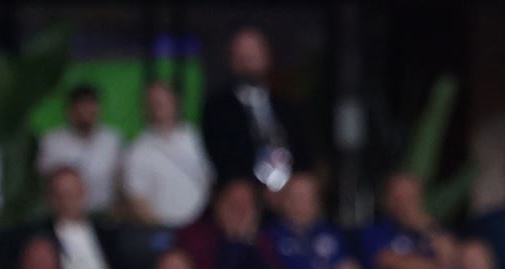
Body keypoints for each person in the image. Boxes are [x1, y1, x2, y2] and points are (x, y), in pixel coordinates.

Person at [202, 27, 306, 192]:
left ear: (267, 57)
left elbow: (303, 153)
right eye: (242, 55)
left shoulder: (288, 107)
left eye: (254, 53)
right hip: (243, 193)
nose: (248, 61)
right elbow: (220, 160)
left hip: (287, 192)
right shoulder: (217, 109)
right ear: (232, 61)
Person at [359, 172, 456, 269]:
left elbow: (452, 261)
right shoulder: (375, 230)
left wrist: (427, 228)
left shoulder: (432, 230)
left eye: (410, 197)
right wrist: (438, 268)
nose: (404, 204)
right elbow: (394, 264)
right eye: (398, 197)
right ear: (387, 200)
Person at [120, 79, 213, 229]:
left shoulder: (197, 137)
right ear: (146, 107)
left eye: (164, 100)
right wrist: (161, 230)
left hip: (202, 227)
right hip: (162, 231)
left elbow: (211, 180)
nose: (160, 106)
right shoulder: (138, 150)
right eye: (154, 102)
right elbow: (137, 199)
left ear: (176, 101)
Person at [177, 178, 276, 269]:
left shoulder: (262, 240)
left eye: (247, 205)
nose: (240, 212)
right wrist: (232, 242)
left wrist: (250, 243)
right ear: (218, 204)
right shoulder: (195, 236)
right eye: (233, 204)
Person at [37, 84, 123, 216]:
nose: (86, 111)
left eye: (90, 105)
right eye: (81, 105)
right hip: (63, 216)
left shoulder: (112, 140)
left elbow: (120, 181)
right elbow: (46, 182)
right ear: (70, 110)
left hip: (105, 214)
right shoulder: (52, 141)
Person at [42, 166, 119, 269]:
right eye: (61, 195)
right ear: (51, 199)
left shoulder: (107, 232)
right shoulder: (42, 235)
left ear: (84, 193)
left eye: (73, 194)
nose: (68, 201)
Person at [259, 172, 348, 269]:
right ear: (285, 201)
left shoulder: (334, 234)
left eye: (308, 196)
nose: (301, 203)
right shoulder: (268, 238)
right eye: (296, 196)